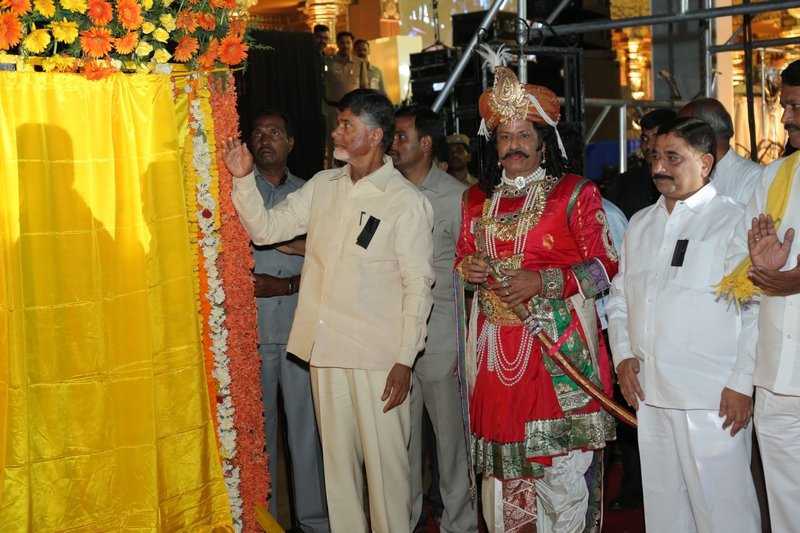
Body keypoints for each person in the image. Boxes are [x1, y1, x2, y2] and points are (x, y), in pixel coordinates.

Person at [222, 89, 435, 533]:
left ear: (376, 136)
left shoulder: (405, 202)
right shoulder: (323, 186)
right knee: (337, 476)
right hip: (324, 351)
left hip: (379, 360)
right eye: (339, 122)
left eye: (347, 125)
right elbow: (266, 230)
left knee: (387, 479)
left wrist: (405, 358)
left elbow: (420, 286)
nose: (336, 131)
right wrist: (243, 179)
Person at [456, 52, 618, 532]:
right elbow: (462, 258)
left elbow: (605, 267)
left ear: (544, 143)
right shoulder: (475, 200)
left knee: (561, 472)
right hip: (494, 354)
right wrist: (471, 267)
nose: (514, 144)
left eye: (525, 134)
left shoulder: (574, 193)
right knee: (503, 480)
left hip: (557, 353)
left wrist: (544, 281)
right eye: (505, 136)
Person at [608, 117, 761, 532]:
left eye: (673, 157)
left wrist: (741, 383)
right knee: (665, 513)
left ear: (706, 162)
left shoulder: (733, 219)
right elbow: (619, 298)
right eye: (656, 156)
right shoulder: (640, 223)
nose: (660, 167)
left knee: (724, 512)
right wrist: (622, 356)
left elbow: (754, 309)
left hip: (712, 397)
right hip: (651, 393)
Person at [718, 58, 800, 533]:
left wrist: (796, 279)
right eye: (785, 105)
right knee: (786, 504)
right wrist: (758, 266)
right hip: (774, 375)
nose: (786, 117)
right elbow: (737, 262)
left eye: (795, 106)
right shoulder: (774, 177)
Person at [389, 106, 477, 533]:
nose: (393, 143)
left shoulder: (457, 197)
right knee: (398, 443)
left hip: (441, 331)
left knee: (450, 442)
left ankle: (458, 523)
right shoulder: (381, 191)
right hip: (392, 335)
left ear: (426, 143)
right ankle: (403, 522)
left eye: (402, 136)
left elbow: (473, 265)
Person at [249, 109, 329, 532]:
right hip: (252, 337)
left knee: (306, 436)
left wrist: (287, 286)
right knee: (258, 441)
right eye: (258, 133)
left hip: (301, 335)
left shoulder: (314, 193)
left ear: (291, 142)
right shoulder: (236, 194)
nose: (266, 139)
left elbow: (331, 263)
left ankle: (315, 523)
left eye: (275, 132)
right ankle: (266, 522)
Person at [677, 97, 762, 205]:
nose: (675, 141)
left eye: (681, 132)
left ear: (704, 133)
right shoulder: (688, 175)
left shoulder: (753, 178)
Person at [606, 108, 676, 219]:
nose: (648, 145)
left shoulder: (684, 183)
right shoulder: (622, 184)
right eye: (644, 138)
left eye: (655, 137)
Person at [323, 32, 368, 167]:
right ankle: (332, 174)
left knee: (353, 142)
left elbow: (364, 87)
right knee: (333, 144)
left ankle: (353, 172)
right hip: (333, 110)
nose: (345, 45)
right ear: (337, 44)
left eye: (348, 42)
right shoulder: (329, 62)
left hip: (353, 111)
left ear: (351, 45)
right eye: (342, 42)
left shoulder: (359, 63)